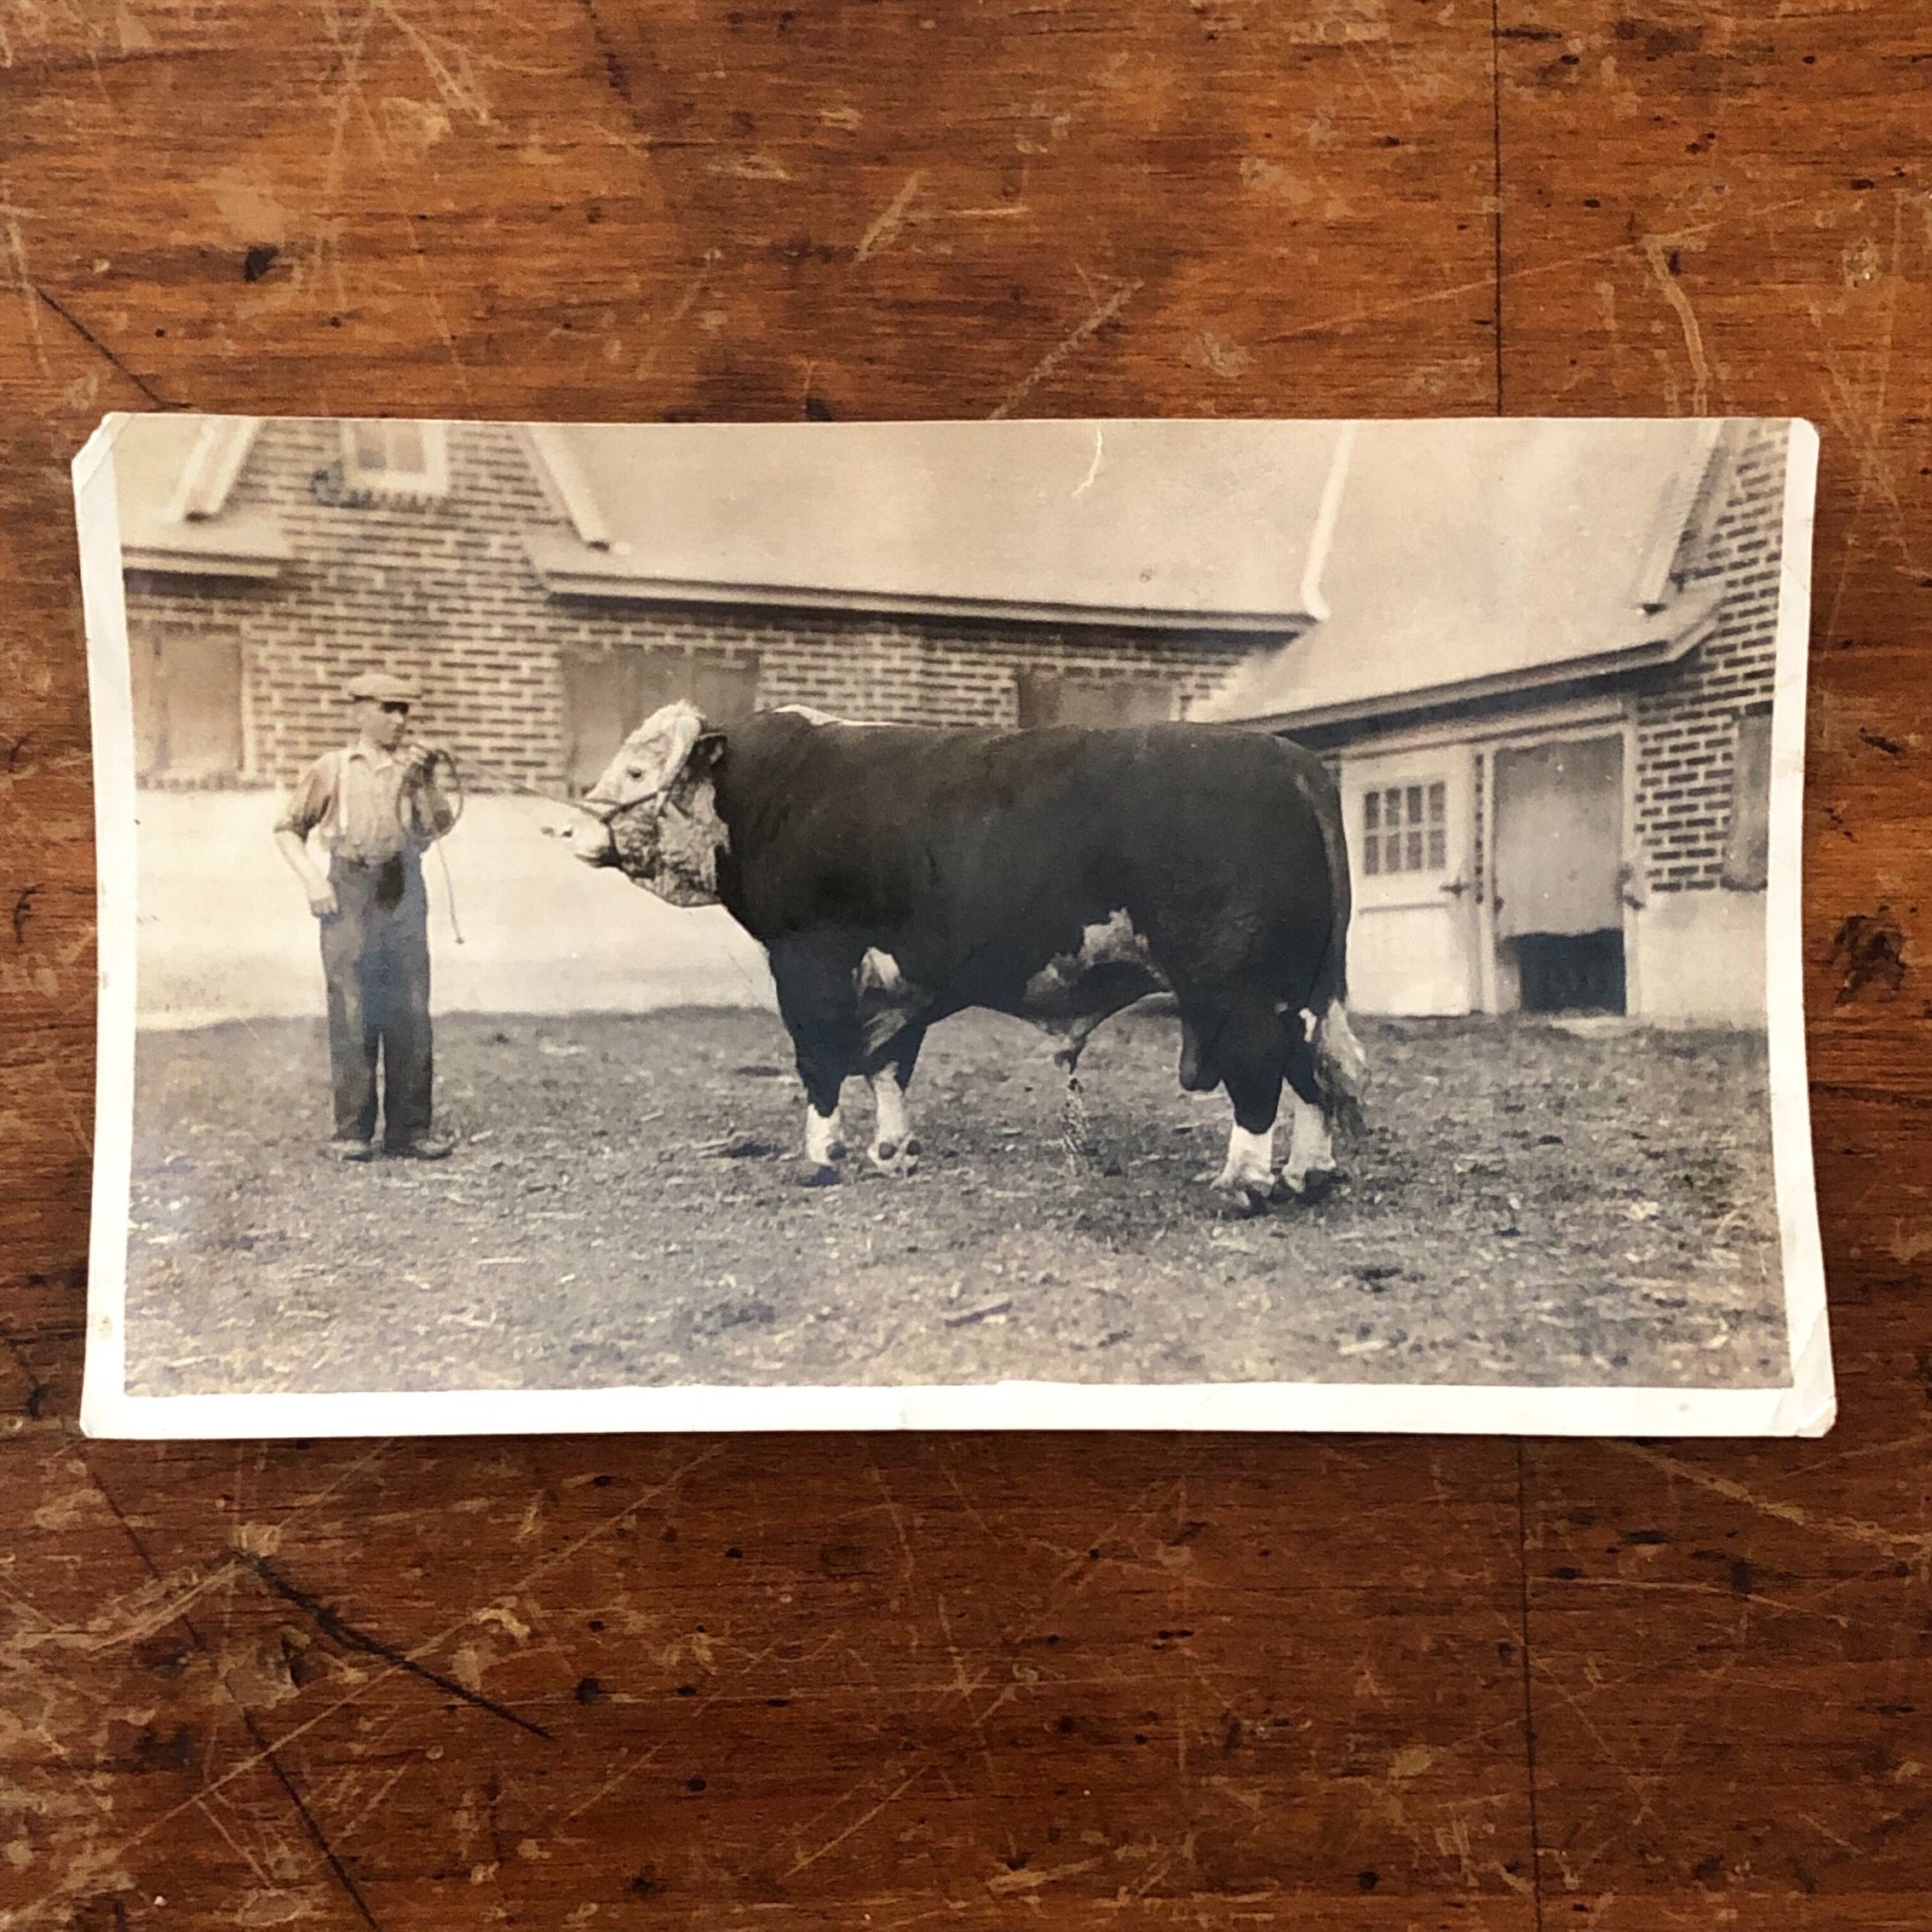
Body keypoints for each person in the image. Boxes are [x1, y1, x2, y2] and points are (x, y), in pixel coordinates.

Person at [273, 671, 457, 1162]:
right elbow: (288, 829)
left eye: (405, 710)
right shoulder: (331, 768)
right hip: (348, 889)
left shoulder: (413, 769)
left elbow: (438, 827)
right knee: (353, 1007)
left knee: (411, 1008)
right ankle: (352, 1132)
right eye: (388, 708)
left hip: (403, 887)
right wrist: (314, 880)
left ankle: (410, 1131)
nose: (399, 720)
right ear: (359, 711)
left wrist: (425, 783)